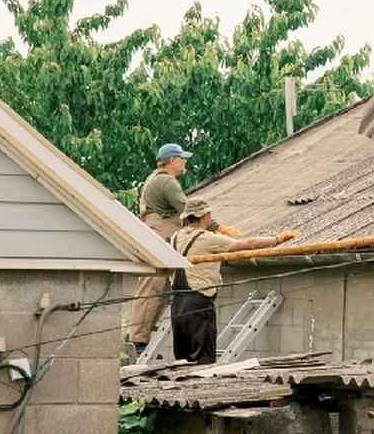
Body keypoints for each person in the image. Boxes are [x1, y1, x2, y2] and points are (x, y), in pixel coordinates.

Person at [170, 198, 300, 364]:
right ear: (205, 216)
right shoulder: (208, 238)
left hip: (176, 304)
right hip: (198, 303)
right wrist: (277, 239)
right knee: (202, 361)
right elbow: (248, 243)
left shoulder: (175, 237)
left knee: (182, 360)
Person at [126, 142, 193, 353]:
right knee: (153, 287)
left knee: (160, 287)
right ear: (172, 160)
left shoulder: (153, 179)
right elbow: (188, 210)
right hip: (161, 235)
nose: (184, 162)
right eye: (182, 158)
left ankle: (138, 334)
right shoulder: (167, 182)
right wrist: (215, 227)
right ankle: (138, 338)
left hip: (156, 234)